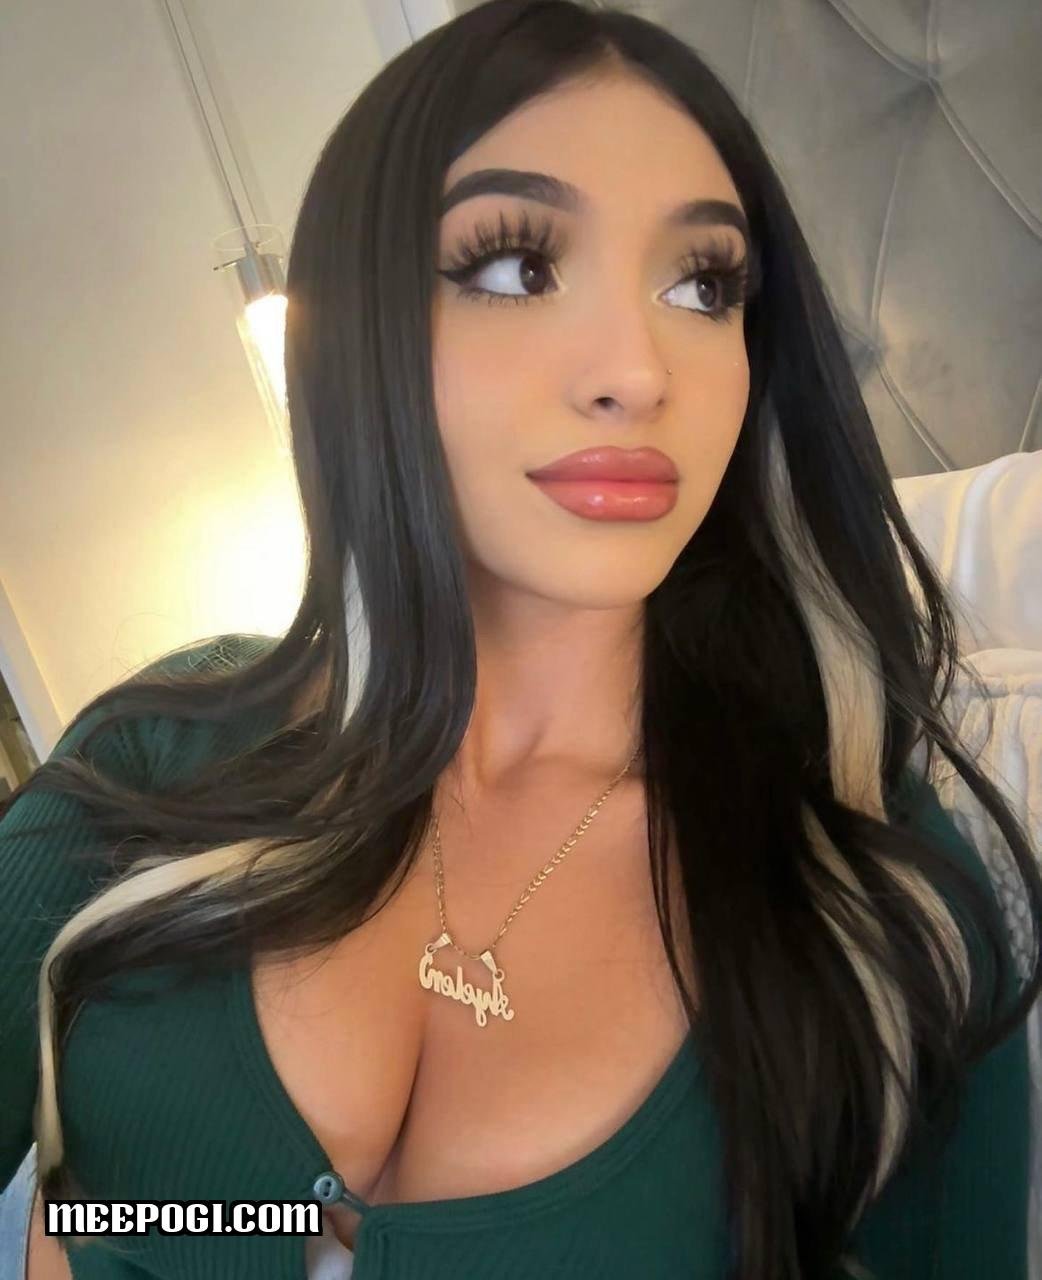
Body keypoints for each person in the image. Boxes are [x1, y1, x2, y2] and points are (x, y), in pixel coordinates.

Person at [2, 1, 1039, 1277]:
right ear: (362, 326)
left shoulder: (882, 905)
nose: (636, 371)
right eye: (512, 266)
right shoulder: (160, 751)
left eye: (703, 285)